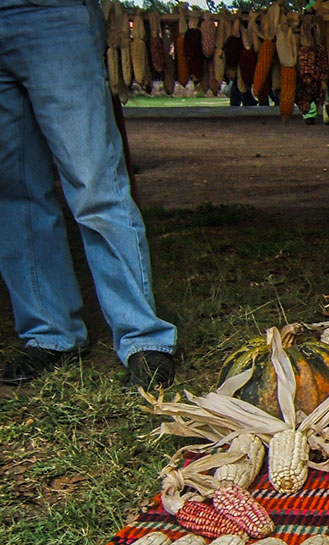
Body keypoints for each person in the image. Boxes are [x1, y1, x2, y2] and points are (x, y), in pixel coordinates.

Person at [0, 0, 176, 388]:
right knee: (12, 192)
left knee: (95, 184)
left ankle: (143, 338)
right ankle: (49, 332)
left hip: (50, 13)